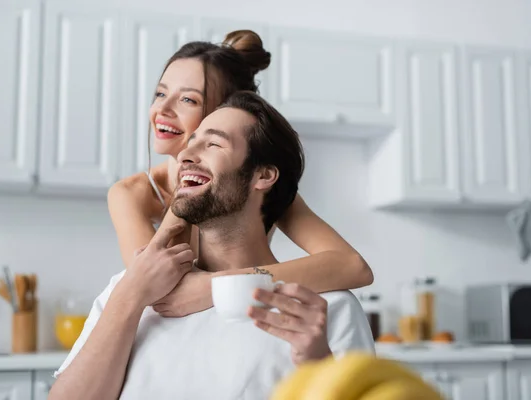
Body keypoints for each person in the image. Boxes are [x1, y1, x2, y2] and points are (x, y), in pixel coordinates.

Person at [49, 91, 375, 400]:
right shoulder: (131, 287)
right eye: (191, 143)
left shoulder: (324, 310)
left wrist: (318, 365)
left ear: (263, 175)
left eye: (213, 144)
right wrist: (129, 297)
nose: (185, 155)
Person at [107, 30, 373, 317]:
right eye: (160, 93)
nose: (163, 109)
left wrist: (216, 285)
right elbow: (160, 290)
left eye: (188, 100)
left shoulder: (251, 181)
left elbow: (352, 266)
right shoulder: (131, 193)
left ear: (226, 111)